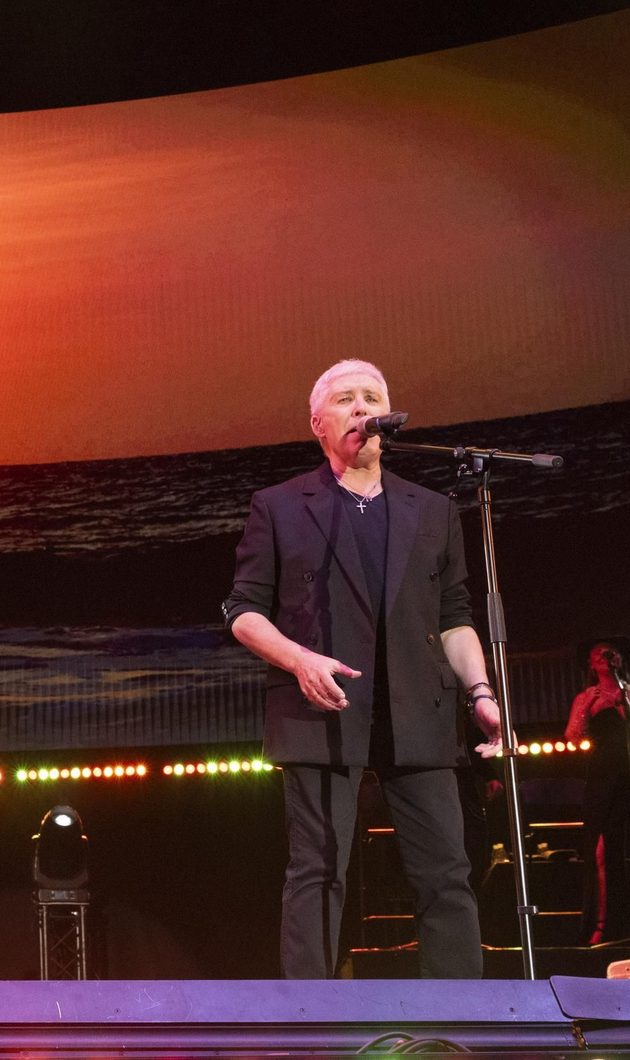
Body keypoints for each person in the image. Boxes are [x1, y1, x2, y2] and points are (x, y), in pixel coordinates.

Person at [223, 358, 502, 979]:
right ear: (318, 424)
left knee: (445, 872)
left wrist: (480, 692)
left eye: (371, 397)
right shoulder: (279, 505)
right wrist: (299, 659)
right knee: (319, 871)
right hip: (322, 708)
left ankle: (453, 1026)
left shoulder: (431, 508)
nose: (361, 407)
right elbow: (243, 611)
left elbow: (455, 615)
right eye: (345, 399)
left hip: (419, 709)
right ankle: (311, 1024)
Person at [565, 638, 630, 944]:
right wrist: (588, 708)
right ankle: (603, 923)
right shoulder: (586, 695)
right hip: (604, 777)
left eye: (609, 652)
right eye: (597, 654)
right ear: (591, 665)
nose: (604, 655)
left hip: (627, 775)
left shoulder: (629, 691)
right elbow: (573, 737)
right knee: (601, 850)